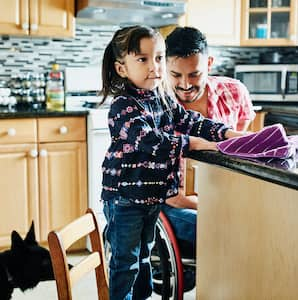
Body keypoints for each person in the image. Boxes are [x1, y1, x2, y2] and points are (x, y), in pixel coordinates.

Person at [100, 25, 245, 300]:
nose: (154, 66)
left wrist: (228, 134)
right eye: (142, 59)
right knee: (125, 264)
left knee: (143, 257)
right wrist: (196, 143)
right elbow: (152, 142)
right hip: (124, 199)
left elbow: (192, 122)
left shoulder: (162, 99)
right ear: (121, 68)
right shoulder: (123, 105)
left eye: (158, 57)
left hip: (150, 197)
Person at [162, 26, 256, 257]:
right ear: (164, 68)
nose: (185, 84)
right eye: (175, 75)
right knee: (228, 229)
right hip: (173, 202)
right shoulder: (156, 106)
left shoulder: (235, 92)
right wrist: (211, 205)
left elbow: (239, 152)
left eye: (194, 74)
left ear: (209, 64)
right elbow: (172, 196)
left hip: (225, 194)